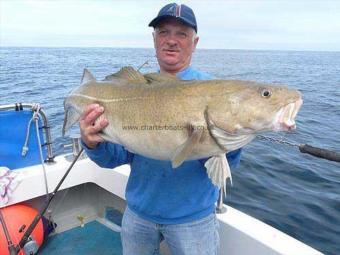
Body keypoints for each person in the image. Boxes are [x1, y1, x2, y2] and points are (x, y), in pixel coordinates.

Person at [80, 3, 242, 255]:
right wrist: (92, 143)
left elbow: (226, 163)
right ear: (154, 39)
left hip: (193, 220)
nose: (172, 41)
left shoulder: (215, 90)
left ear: (195, 42)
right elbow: (116, 157)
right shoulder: (135, 89)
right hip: (138, 213)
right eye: (164, 32)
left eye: (182, 33)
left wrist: (225, 139)